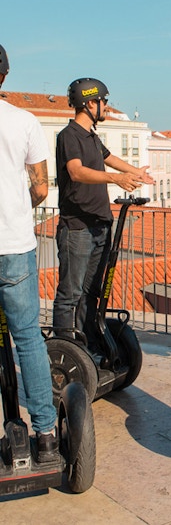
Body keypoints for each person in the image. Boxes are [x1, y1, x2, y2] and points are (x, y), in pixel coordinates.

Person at [53, 77, 153, 353]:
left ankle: (89, 346)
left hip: (99, 225)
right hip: (77, 228)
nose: (107, 107)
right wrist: (116, 179)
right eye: (103, 101)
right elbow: (76, 171)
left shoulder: (92, 138)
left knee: (91, 293)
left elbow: (110, 158)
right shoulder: (69, 136)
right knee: (69, 295)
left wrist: (134, 173)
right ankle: (66, 351)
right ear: (89, 103)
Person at [0, 44, 58, 461]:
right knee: (28, 341)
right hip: (14, 246)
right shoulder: (23, 121)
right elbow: (41, 186)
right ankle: (45, 435)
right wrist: (20, 209)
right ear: (4, 75)